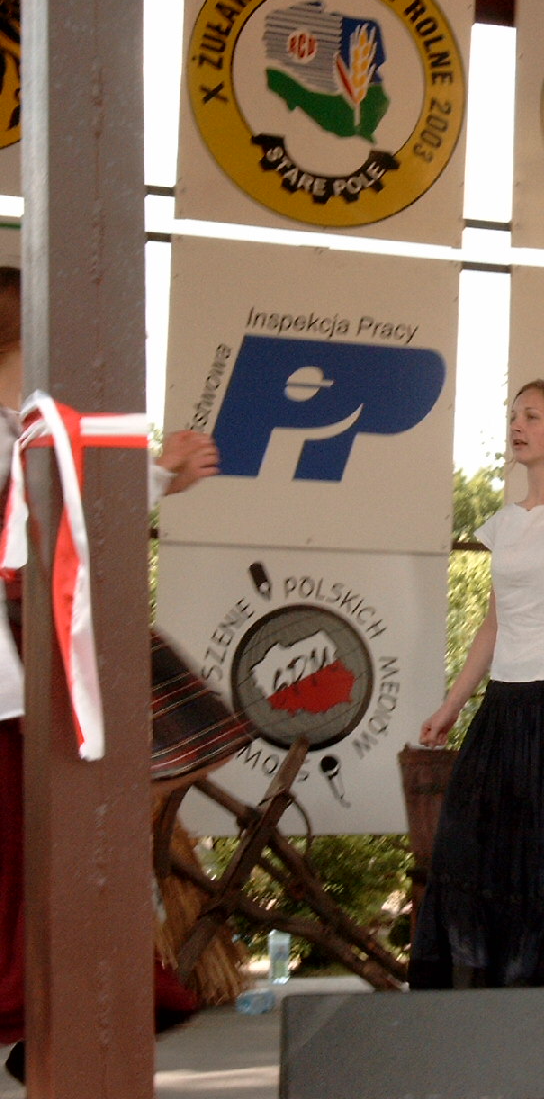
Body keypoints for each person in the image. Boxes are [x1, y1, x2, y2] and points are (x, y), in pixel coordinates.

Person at [0, 265, 221, 1083]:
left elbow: (72, 505)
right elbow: (53, 514)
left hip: (34, 681)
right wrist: (158, 474)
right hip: (19, 680)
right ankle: (46, 1017)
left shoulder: (25, 426)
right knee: (32, 860)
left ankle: (53, 1022)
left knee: (50, 858)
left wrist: (160, 475)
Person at [410, 380, 544, 989]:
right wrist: (452, 704)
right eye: (514, 416)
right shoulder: (504, 523)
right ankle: (498, 984)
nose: (517, 426)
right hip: (506, 699)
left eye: (532, 416)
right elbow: (494, 622)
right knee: (476, 839)